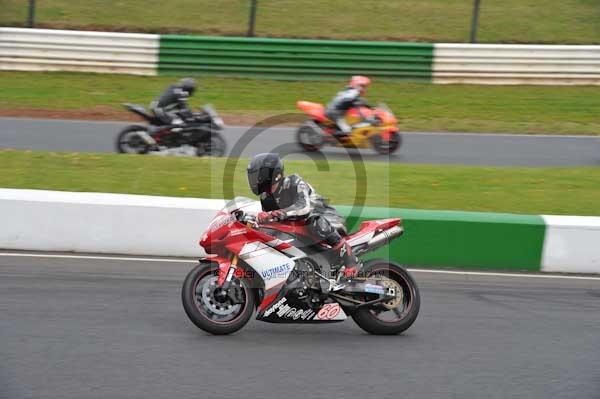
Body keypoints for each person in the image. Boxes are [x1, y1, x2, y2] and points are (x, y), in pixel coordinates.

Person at [247, 153, 361, 284]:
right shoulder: (266, 198)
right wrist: (263, 220)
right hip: (303, 230)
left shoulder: (294, 182)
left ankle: (350, 260)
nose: (254, 180)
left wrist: (276, 214)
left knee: (314, 221)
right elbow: (274, 222)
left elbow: (304, 207)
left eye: (257, 176)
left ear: (270, 174)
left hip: (328, 220)